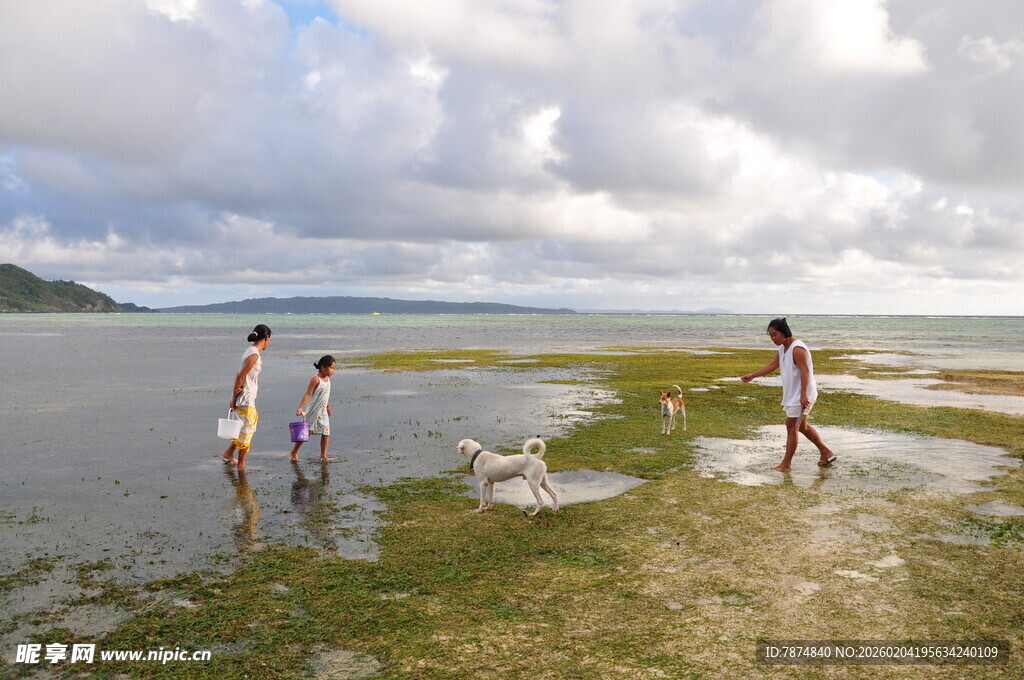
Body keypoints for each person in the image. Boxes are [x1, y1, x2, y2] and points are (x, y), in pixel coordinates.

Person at [741, 317, 837, 471]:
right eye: (771, 336)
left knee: (792, 428)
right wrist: (753, 375)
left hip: (803, 395)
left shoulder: (798, 349)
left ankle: (786, 464)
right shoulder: (783, 348)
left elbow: (805, 372)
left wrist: (804, 396)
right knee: (802, 427)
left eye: (775, 335)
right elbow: (773, 365)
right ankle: (826, 452)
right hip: (793, 395)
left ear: (784, 332)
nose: (773, 338)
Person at [221, 324, 271, 469]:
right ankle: (241, 465)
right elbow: (240, 377)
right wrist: (233, 399)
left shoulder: (250, 351)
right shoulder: (254, 354)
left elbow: (239, 375)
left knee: (248, 426)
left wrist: (234, 397)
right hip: (245, 398)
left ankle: (229, 453)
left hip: (245, 397)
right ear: (267, 338)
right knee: (247, 430)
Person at [289, 355, 336, 463]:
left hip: (323, 412)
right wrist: (300, 408)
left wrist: (328, 407)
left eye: (334, 369)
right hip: (314, 412)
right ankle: (294, 452)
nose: (333, 371)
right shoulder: (316, 380)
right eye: (331, 368)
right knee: (306, 433)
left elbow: (325, 396)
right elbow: (308, 394)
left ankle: (323, 455)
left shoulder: (327, 380)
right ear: (323, 367)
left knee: (326, 433)